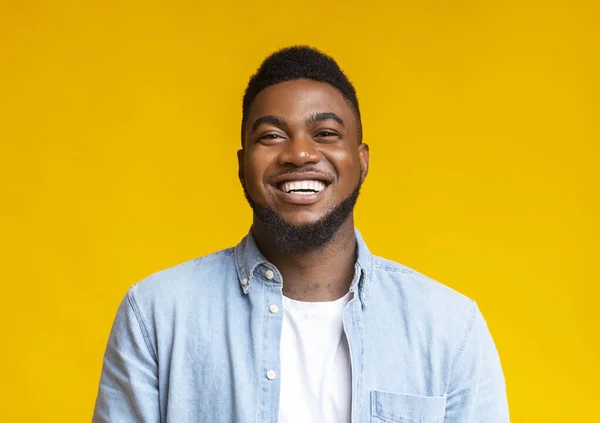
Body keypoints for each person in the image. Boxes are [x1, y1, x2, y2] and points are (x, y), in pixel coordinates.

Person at [92, 46, 509, 423]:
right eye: (272, 136)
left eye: (325, 133)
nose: (299, 154)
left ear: (361, 161)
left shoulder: (450, 329)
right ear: (242, 164)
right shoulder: (156, 316)